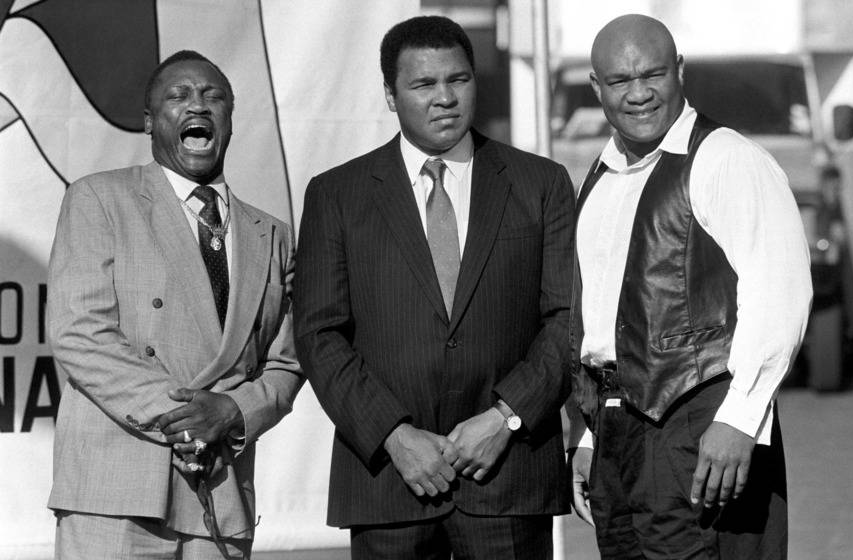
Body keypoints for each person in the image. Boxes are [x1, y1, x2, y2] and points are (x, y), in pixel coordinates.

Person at [293, 15, 574, 560]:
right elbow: (319, 334)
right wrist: (394, 436)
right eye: (424, 84)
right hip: (389, 482)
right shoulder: (337, 195)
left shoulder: (540, 183)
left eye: (458, 80)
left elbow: (567, 319)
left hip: (507, 476)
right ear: (390, 95)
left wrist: (506, 418)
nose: (445, 97)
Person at [567, 14, 812, 559]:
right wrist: (587, 435)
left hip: (700, 426)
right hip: (615, 433)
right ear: (597, 87)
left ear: (679, 69)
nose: (638, 94)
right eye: (620, 80)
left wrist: (740, 418)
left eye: (652, 74)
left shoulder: (727, 158)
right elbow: (596, 318)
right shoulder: (600, 173)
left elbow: (780, 292)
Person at [47, 50, 303, 559]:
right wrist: (186, 420)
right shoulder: (100, 199)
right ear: (150, 121)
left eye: (213, 96)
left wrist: (232, 411)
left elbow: (287, 362)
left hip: (220, 493)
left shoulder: (273, 234)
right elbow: (79, 333)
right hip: (117, 488)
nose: (198, 105)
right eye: (179, 95)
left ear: (230, 119)